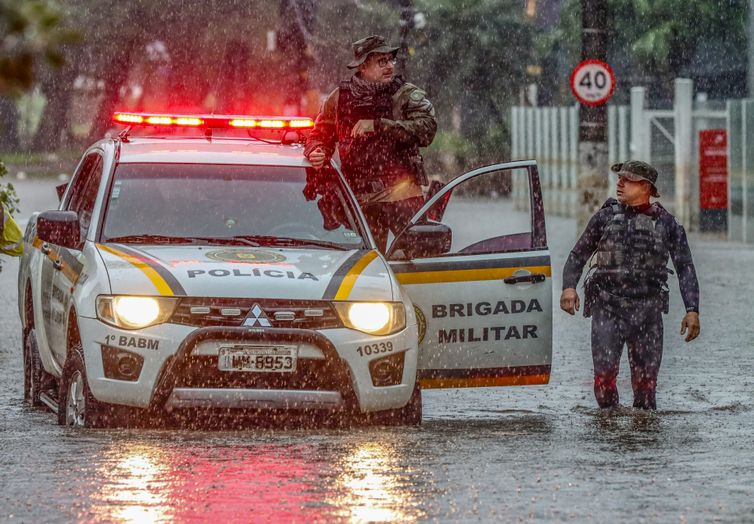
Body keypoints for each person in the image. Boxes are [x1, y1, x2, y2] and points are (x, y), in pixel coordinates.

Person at [559, 160, 700, 410]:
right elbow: (577, 255)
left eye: (628, 179)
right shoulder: (604, 217)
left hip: (647, 313)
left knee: (646, 389)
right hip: (607, 309)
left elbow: (685, 267)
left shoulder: (667, 224)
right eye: (619, 178)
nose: (620, 183)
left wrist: (692, 310)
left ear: (646, 186)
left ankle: (643, 439)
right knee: (603, 382)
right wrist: (569, 286)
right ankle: (608, 432)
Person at [304, 35, 437, 252]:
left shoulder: (405, 94)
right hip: (358, 201)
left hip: (401, 196)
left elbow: (427, 130)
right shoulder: (339, 98)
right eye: (382, 62)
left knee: (419, 262)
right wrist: (316, 150)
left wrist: (379, 125)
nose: (389, 66)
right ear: (363, 66)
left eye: (391, 60)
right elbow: (319, 132)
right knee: (361, 269)